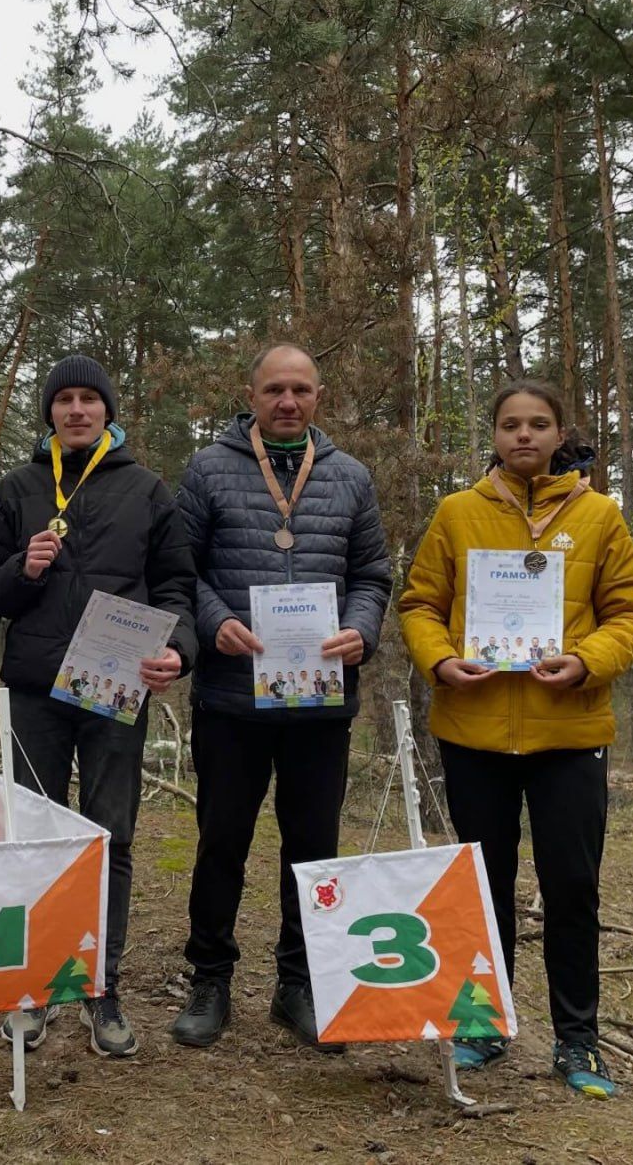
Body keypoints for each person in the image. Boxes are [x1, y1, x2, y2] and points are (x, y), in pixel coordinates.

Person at [399, 379, 633, 1099]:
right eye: (510, 424)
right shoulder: (457, 512)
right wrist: (441, 660)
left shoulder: (600, 515)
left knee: (572, 887)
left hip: (569, 733)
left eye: (539, 423)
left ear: (561, 434)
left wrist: (587, 661)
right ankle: (484, 1023)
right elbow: (419, 603)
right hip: (473, 732)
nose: (524, 435)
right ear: (495, 434)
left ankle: (578, 1040)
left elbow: (630, 613)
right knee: (482, 887)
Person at [0, 354, 197, 1059]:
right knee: (33, 839)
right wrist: (22, 568)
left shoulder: (147, 489)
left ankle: (102, 986)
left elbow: (176, 586)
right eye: (64, 399)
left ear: (107, 411)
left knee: (111, 837)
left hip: (115, 688)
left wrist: (178, 650)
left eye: (89, 399)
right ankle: (35, 985)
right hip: (36, 691)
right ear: (49, 411)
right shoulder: (17, 489)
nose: (76, 410)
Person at [173, 343, 391, 1052]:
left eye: (300, 389)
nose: (287, 401)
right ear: (252, 396)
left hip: (320, 703)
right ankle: (210, 979)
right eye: (274, 389)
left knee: (313, 848)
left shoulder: (351, 476)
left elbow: (373, 574)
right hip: (232, 698)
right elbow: (180, 568)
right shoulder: (209, 468)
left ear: (318, 396)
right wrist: (213, 621)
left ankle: (300, 982)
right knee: (221, 843)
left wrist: (362, 629)